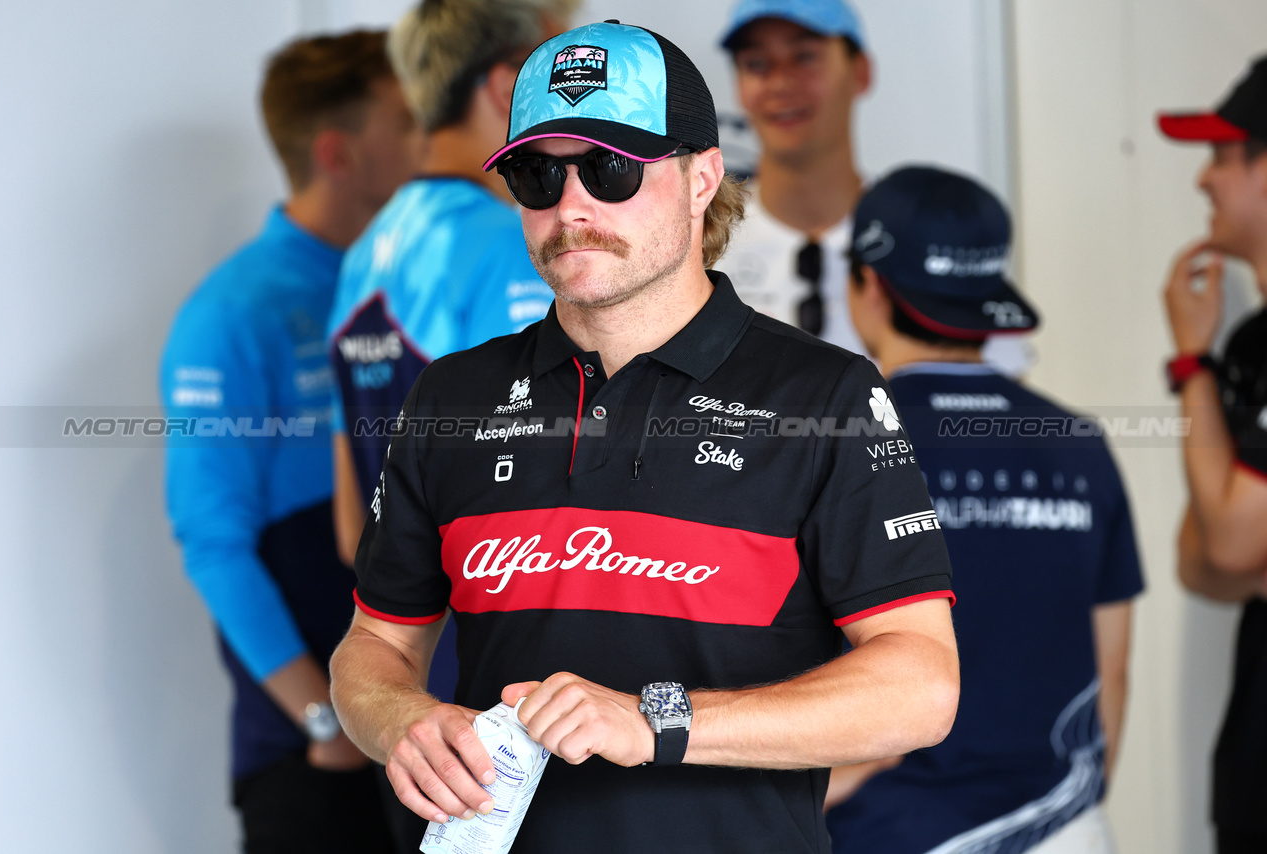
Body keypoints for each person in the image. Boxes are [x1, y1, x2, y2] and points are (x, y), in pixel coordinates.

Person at [329, 21, 959, 854]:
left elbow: (920, 685)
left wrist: (658, 720)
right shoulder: (452, 396)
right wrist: (404, 721)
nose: (573, 205)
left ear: (703, 176)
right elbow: (374, 644)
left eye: (611, 167)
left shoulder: (824, 395)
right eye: (537, 174)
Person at [827, 165, 1144, 854]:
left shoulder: (835, 444)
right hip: (1064, 828)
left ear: (868, 286)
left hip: (887, 832)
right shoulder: (1080, 443)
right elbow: (1109, 675)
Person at [160, 31, 419, 853]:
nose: (430, 139)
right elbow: (213, 544)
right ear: (338, 153)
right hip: (317, 756)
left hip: (421, 730)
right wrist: (321, 712)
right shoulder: (232, 313)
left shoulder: (411, 282)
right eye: (407, 120)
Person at [327, 0, 577, 566]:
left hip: (402, 615)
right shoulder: (509, 240)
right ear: (505, 86)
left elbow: (353, 534)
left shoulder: (364, 251)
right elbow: (542, 480)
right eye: (554, 75)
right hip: (499, 620)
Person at [717, 0, 1030, 374]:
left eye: (805, 56)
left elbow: (992, 392)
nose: (781, 83)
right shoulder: (702, 242)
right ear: (738, 85)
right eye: (756, 64)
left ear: (861, 71)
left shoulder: (926, 235)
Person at [1157, 55, 1267, 854]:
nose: (1205, 181)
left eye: (1225, 156)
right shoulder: (1254, 343)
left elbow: (1231, 541)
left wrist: (1191, 363)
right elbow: (1201, 564)